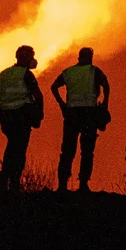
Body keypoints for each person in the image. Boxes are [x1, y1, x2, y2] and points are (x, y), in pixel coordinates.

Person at [51, 47, 111, 192]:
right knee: (87, 150)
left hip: (71, 114)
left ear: (79, 57)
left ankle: (62, 185)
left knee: (67, 150)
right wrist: (105, 103)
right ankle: (83, 184)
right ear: (90, 57)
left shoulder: (69, 72)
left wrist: (61, 104)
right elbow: (106, 85)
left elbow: (54, 86)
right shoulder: (94, 71)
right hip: (89, 114)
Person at [0, 45, 43, 191]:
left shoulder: (4, 74)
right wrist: (39, 113)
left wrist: (0, 108)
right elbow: (38, 95)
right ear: (27, 57)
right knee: (19, 149)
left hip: (6, 119)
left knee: (11, 147)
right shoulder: (26, 74)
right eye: (31, 56)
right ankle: (13, 182)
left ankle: (4, 181)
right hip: (21, 116)